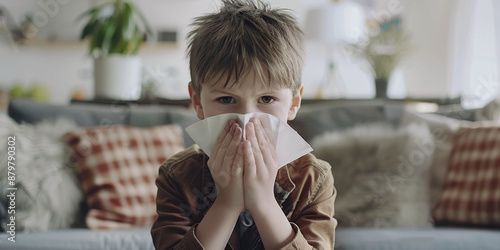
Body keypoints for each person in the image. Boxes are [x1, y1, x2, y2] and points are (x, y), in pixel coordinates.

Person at [151, 0, 337, 249]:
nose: (246, 118)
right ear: (198, 102)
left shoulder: (314, 180)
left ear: (293, 103)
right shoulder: (176, 176)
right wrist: (227, 203)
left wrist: (263, 202)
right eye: (226, 99)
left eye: (267, 99)